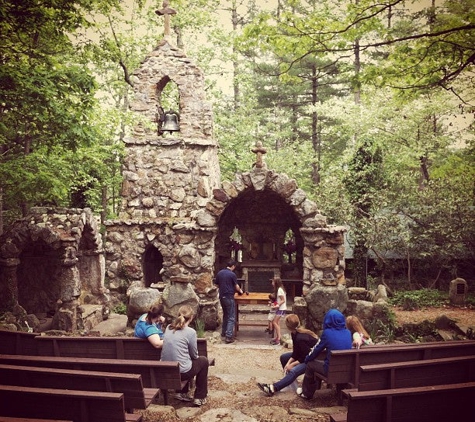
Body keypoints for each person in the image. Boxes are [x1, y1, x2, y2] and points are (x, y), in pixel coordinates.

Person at [257, 314, 319, 396]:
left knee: (293, 371)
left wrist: (292, 364)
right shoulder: (295, 334)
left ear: (287, 326)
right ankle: (289, 382)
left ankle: (273, 388)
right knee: (284, 357)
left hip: (312, 359)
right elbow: (296, 352)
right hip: (306, 355)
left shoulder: (300, 337)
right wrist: (288, 363)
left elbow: (305, 356)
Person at [297, 308, 352, 400]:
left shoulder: (327, 333)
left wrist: (307, 359)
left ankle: (306, 393)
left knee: (311, 364)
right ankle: (340, 391)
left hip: (330, 370)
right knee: (335, 363)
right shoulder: (348, 333)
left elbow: (316, 350)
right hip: (345, 370)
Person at [160, 305, 209, 407]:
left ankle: (181, 392)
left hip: (165, 369)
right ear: (191, 318)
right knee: (203, 361)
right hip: (182, 372)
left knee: (183, 359)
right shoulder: (191, 332)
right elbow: (194, 355)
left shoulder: (169, 328)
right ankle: (199, 397)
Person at [214, 259, 244, 344]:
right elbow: (236, 286)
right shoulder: (232, 274)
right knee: (231, 316)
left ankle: (224, 332)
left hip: (222, 296)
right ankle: (229, 336)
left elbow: (216, 284)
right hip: (229, 296)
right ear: (233, 266)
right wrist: (241, 291)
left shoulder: (220, 273)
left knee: (225, 315)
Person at [270, 277, 286, 345]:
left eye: (273, 282)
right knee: (277, 323)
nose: (272, 283)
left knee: (274, 322)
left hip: (281, 308)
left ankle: (279, 338)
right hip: (280, 308)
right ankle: (277, 337)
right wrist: (274, 304)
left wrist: (277, 305)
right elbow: (279, 300)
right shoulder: (279, 289)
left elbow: (283, 300)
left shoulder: (279, 290)